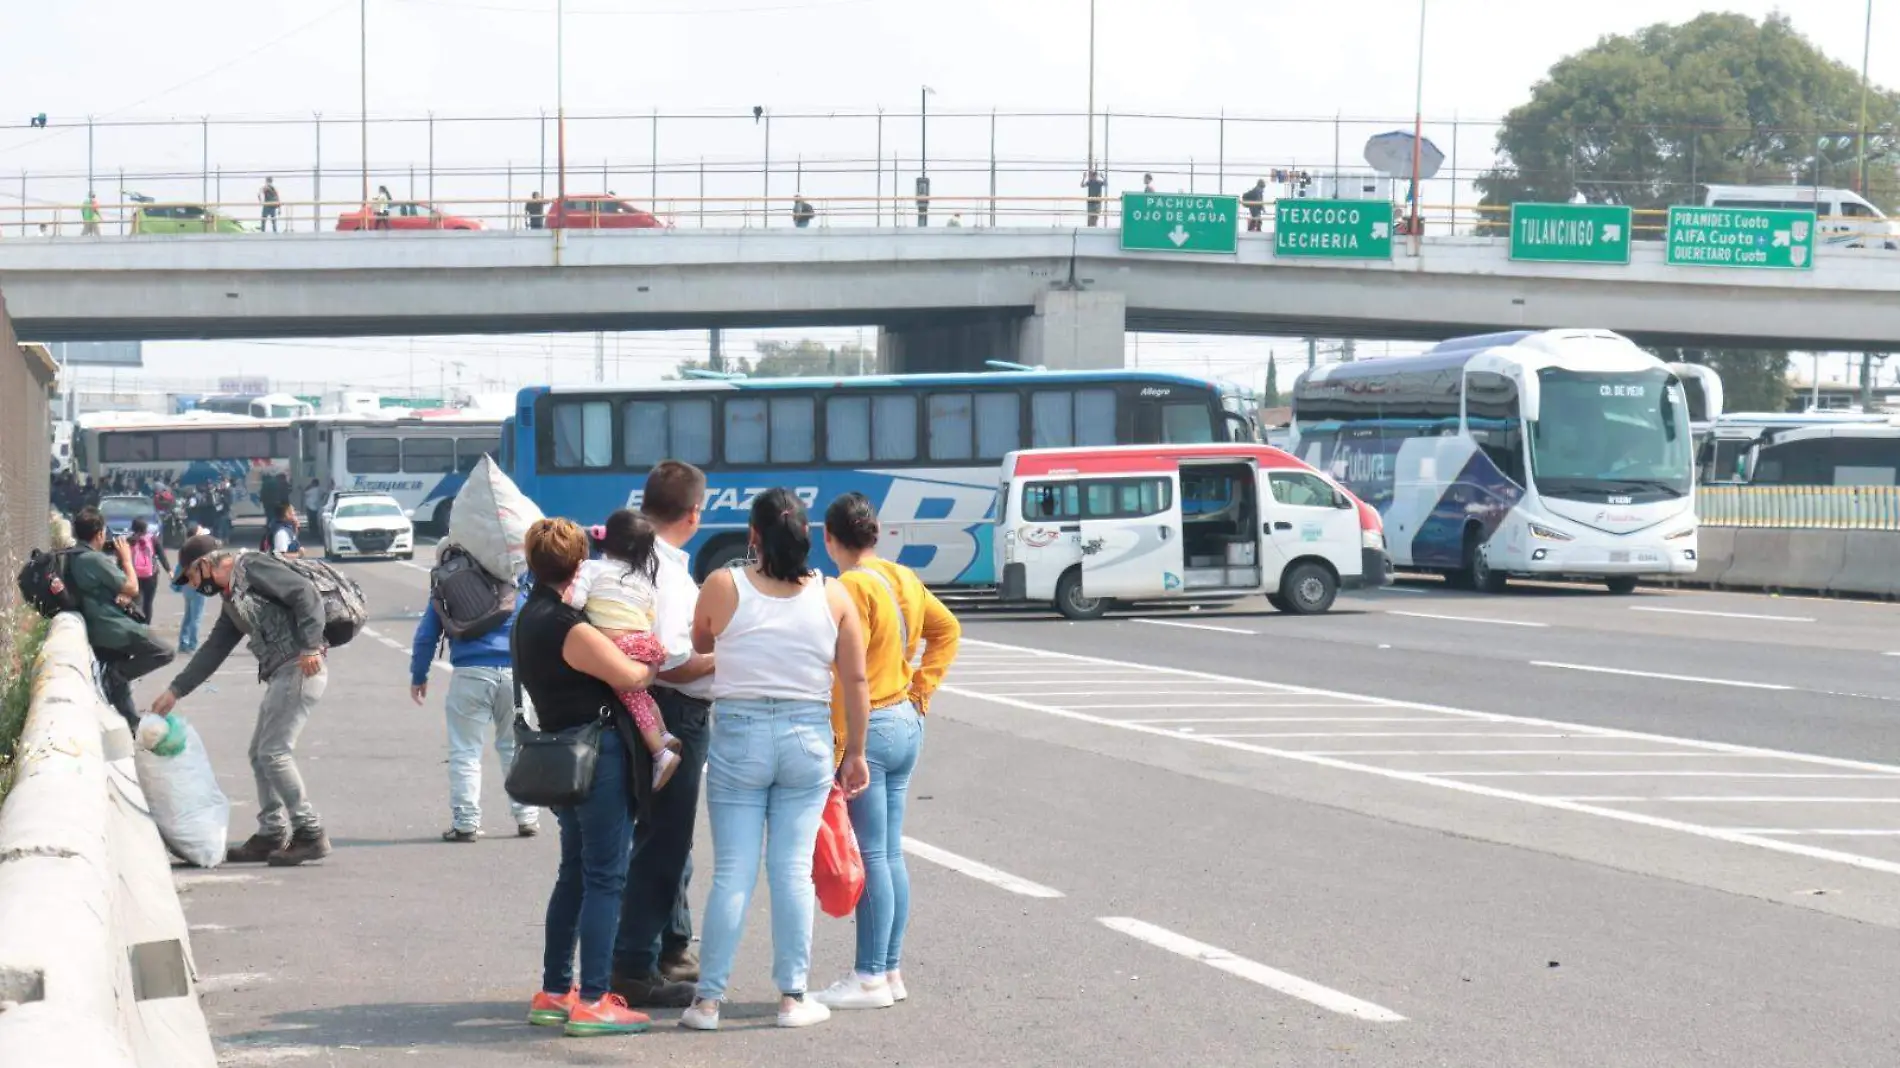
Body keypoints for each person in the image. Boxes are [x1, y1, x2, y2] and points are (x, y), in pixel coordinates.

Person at [679, 489, 871, 1033]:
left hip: (739, 734)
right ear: (808, 535)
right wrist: (854, 751)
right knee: (791, 872)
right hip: (807, 736)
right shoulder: (834, 597)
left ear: (753, 537)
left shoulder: (723, 584)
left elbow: (701, 638)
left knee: (733, 872)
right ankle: (792, 997)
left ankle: (707, 1003)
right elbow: (855, 679)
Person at [811, 493, 959, 1010]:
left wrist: (841, 746)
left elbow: (841, 673)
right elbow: (947, 630)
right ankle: (889, 968)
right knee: (889, 851)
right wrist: (923, 688)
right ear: (874, 534)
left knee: (870, 852)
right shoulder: (902, 578)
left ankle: (869, 975)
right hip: (904, 717)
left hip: (867, 728)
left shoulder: (847, 587)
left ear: (830, 539)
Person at [514, 518, 660, 1039]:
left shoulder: (528, 616)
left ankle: (556, 992)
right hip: (597, 756)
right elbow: (629, 675)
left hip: (562, 755)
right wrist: (650, 660)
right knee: (605, 877)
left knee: (574, 873)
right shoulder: (566, 626)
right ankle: (595, 998)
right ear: (578, 565)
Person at [150, 535, 334, 867]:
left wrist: (309, 645)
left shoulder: (252, 567)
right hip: (282, 672)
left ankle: (309, 832)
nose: (192, 586)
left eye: (191, 577)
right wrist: (176, 690)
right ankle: (272, 832)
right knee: (259, 754)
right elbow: (214, 650)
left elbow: (304, 593)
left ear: (205, 564)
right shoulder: (232, 601)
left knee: (273, 753)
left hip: (300, 667)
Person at [610, 461, 717, 1008]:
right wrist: (727, 659)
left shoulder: (629, 556)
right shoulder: (669, 571)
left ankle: (672, 945)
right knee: (664, 842)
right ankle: (633, 965)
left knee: (666, 836)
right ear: (694, 512)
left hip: (643, 709)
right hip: (674, 712)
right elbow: (673, 661)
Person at [410, 552, 539, 842]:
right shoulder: (515, 584)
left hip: (470, 675)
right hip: (514, 677)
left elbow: (426, 635)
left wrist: (419, 675)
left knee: (465, 750)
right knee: (515, 747)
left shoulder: (451, 585)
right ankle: (526, 817)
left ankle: (466, 823)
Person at [572, 510, 681, 792]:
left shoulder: (591, 569)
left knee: (628, 694)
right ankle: (664, 732)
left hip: (619, 645)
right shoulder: (644, 580)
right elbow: (649, 617)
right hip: (646, 643)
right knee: (641, 694)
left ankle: (660, 753)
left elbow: (575, 601)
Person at [69, 507, 174, 728]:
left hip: (97, 628)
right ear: (99, 534)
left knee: (120, 692)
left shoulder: (74, 556)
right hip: (113, 628)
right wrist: (126, 559)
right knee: (164, 651)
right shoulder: (94, 560)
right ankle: (114, 675)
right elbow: (133, 587)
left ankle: (133, 724)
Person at [173, 522, 210, 654]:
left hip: (187, 588)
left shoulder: (185, 549)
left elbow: (179, 569)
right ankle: (193, 645)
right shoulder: (200, 549)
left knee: (188, 616)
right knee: (196, 617)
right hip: (199, 586)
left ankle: (183, 643)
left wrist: (176, 585)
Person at [127, 517, 171, 623]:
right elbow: (161, 555)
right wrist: (169, 570)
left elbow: (123, 559)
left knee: (136, 602)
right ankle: (146, 625)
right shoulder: (152, 539)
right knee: (148, 603)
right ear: (145, 528)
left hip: (134, 575)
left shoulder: (129, 541)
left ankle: (136, 623)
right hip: (151, 575)